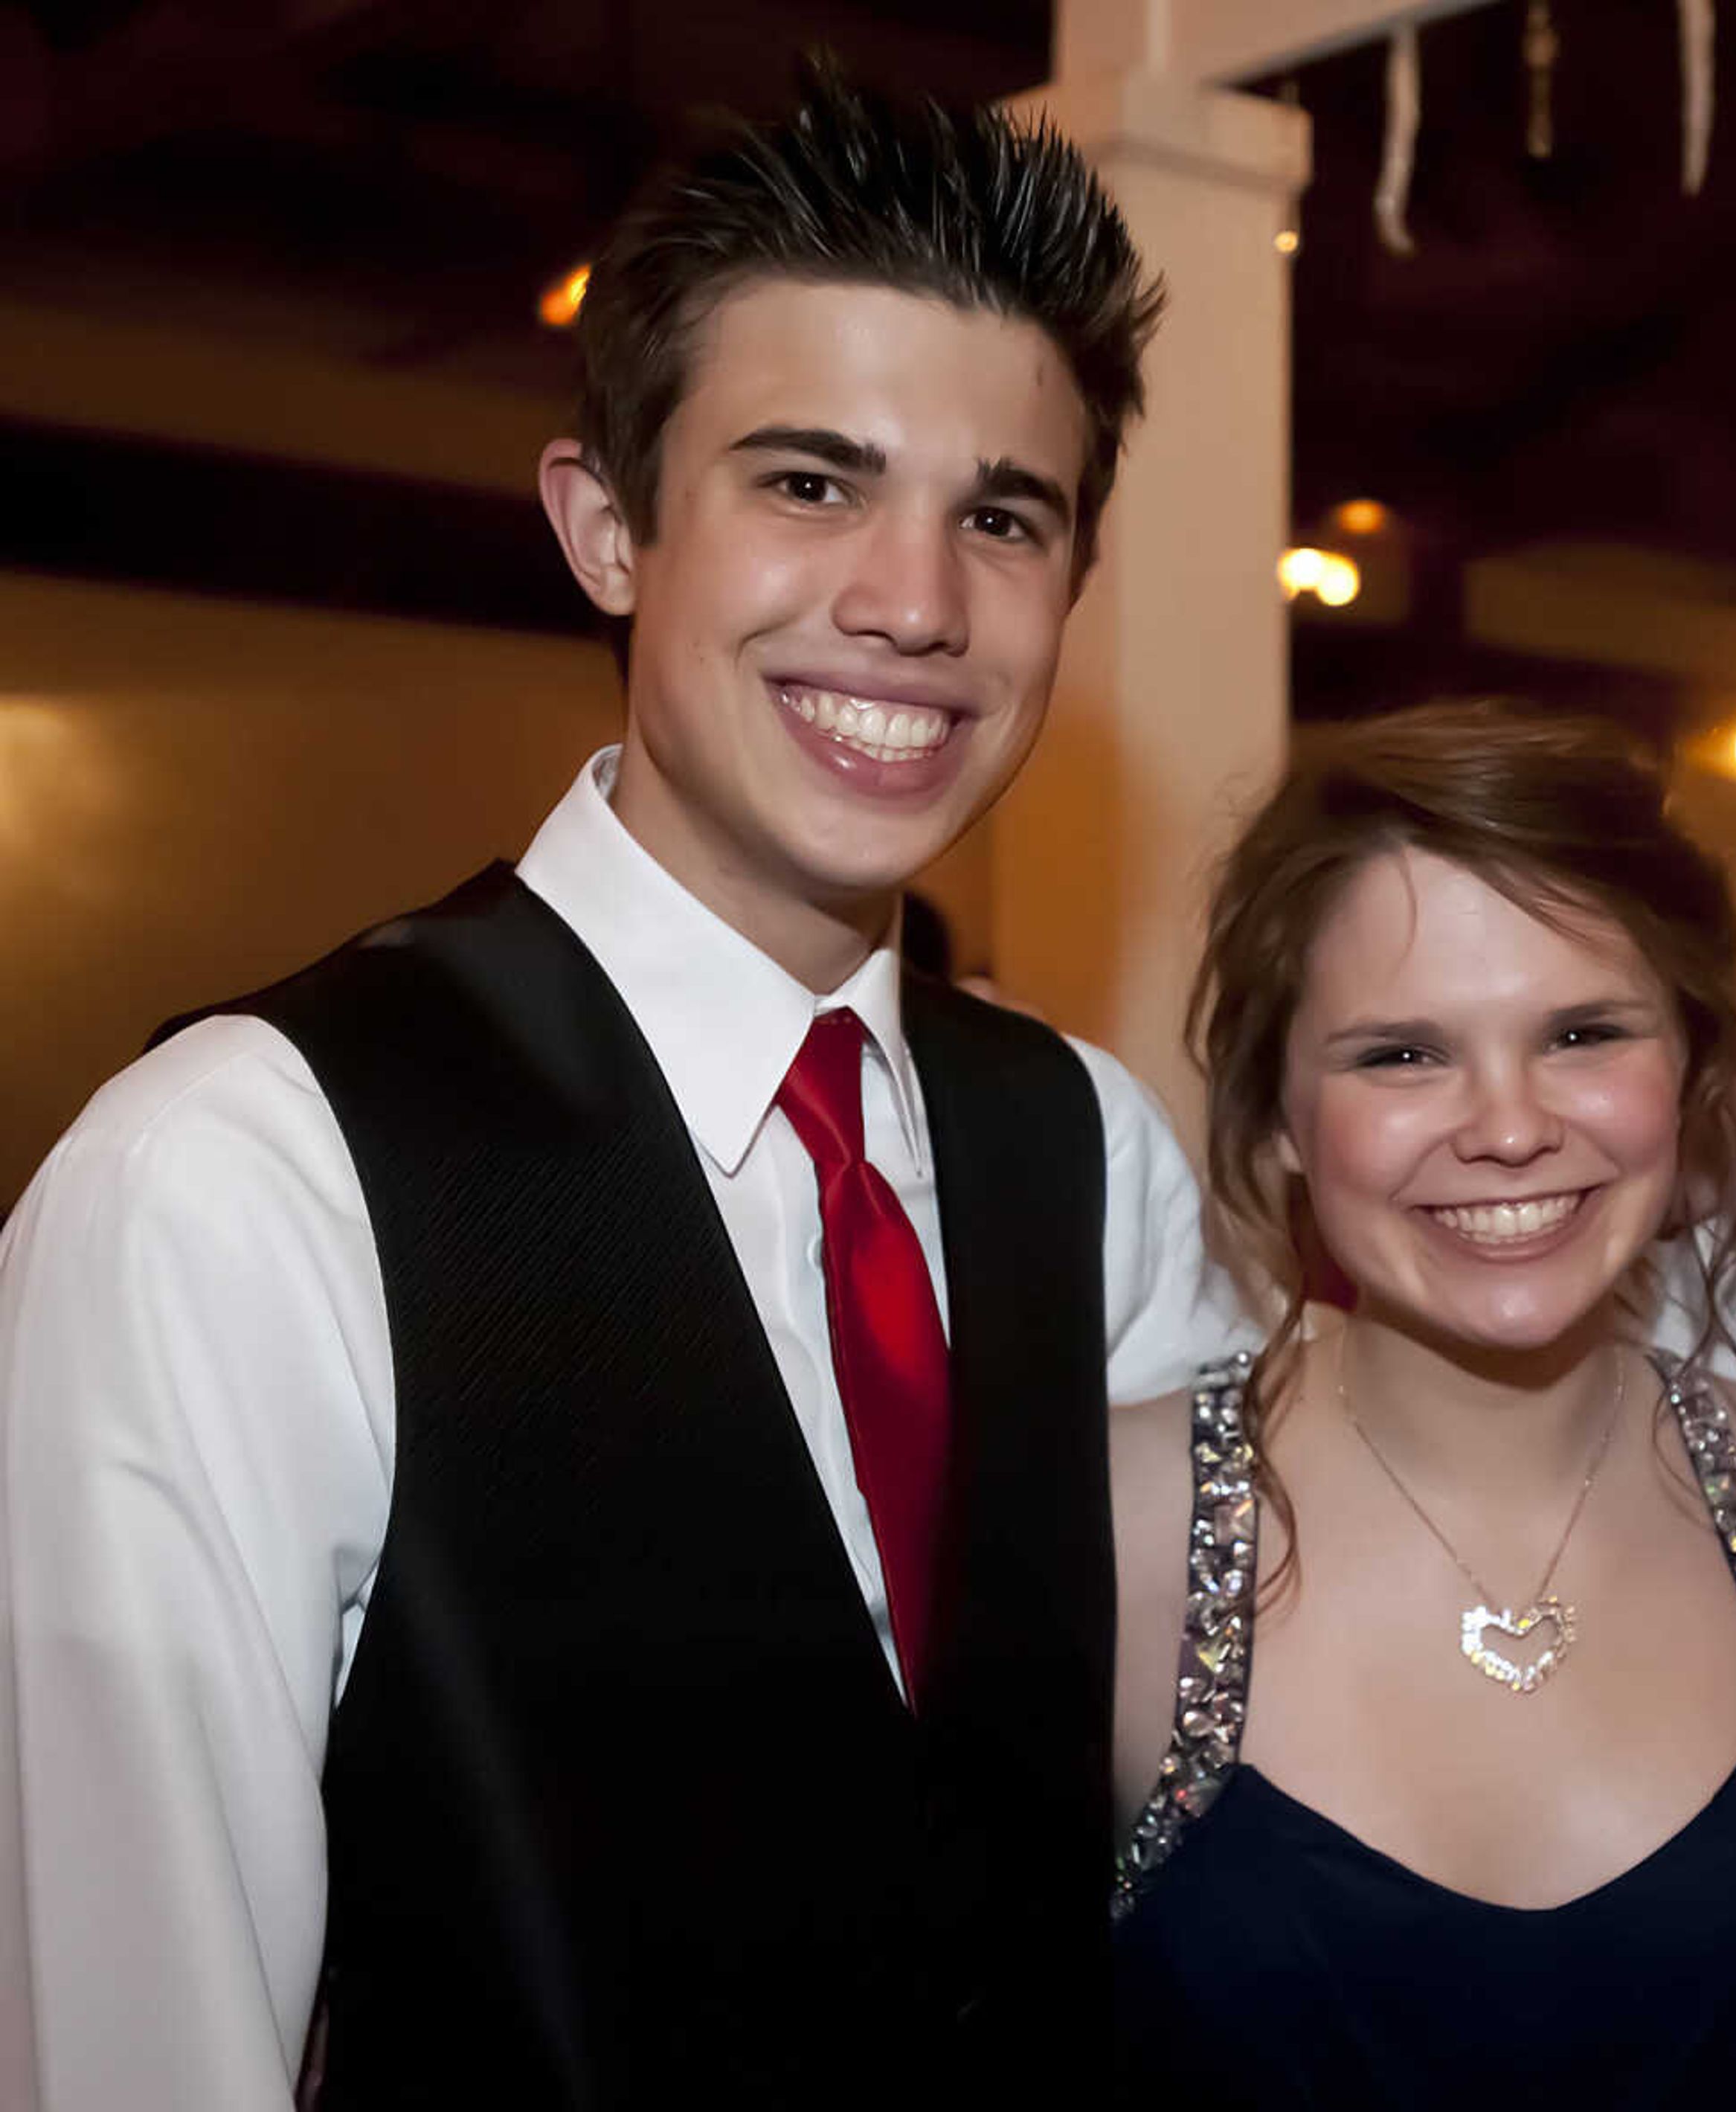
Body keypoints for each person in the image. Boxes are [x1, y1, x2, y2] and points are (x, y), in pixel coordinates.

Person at [0, 64, 1246, 2108]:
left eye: (1000, 517)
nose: (915, 604)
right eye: (809, 482)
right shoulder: (241, 1176)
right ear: (605, 527)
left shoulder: (1087, 1148)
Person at [1106, 702, 1736, 2109]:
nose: (1507, 1125)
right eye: (1401, 1054)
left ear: (1691, 1069)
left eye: (1583, 1034)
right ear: (1275, 1117)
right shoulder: (1127, 1526)